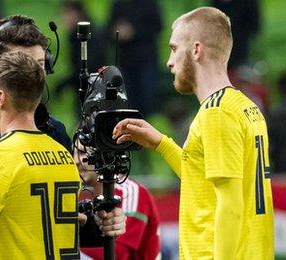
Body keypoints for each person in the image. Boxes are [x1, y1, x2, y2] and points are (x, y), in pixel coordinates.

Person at [0, 14, 123, 255]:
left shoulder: (54, 130)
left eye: (39, 64)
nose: (33, 74)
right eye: (21, 63)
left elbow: (57, 219)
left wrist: (98, 223)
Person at [112, 7, 274, 259]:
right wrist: (162, 144)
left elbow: (230, 205)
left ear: (196, 50)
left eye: (174, 49)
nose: (169, 61)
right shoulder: (244, 106)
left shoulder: (216, 112)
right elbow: (202, 179)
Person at [74, 140, 161, 260]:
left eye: (83, 153)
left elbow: (118, 254)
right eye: (73, 153)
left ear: (104, 154)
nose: (76, 160)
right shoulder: (88, 196)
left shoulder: (131, 191)